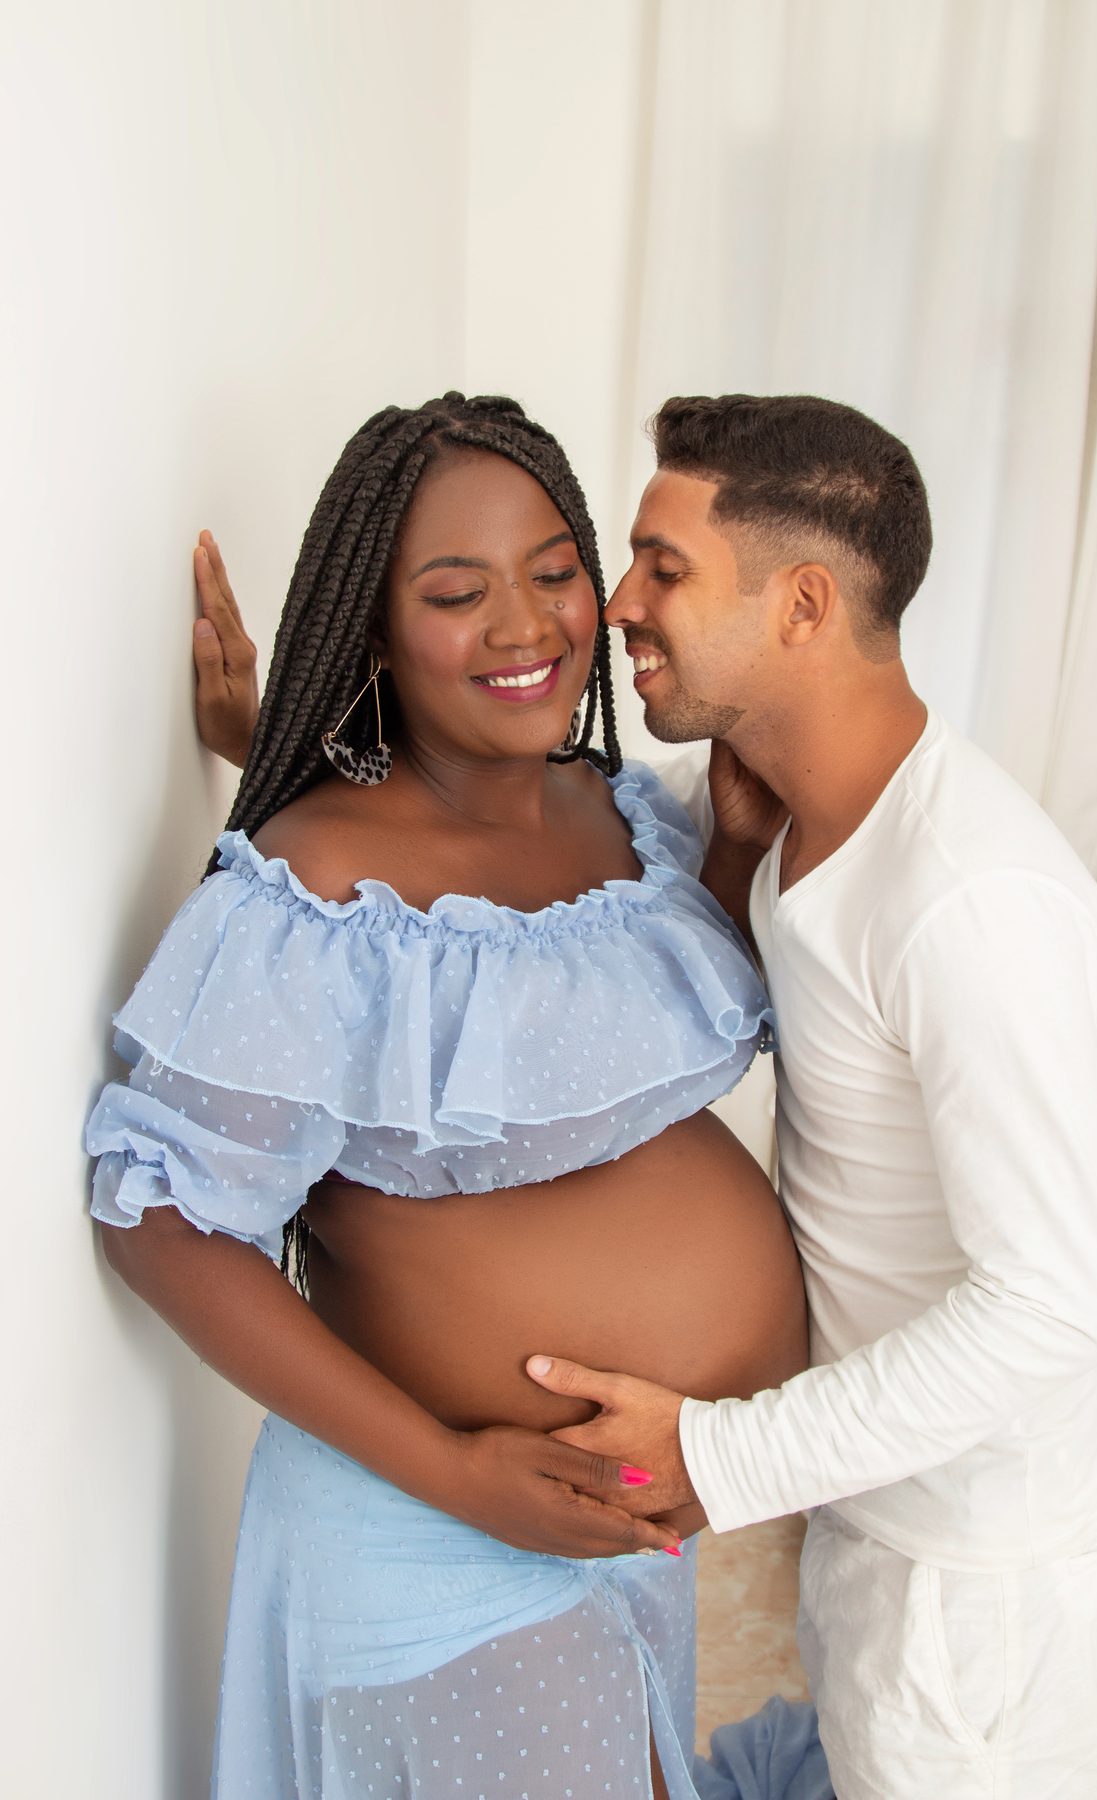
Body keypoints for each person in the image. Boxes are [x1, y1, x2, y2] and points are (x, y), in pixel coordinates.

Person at [89, 394, 819, 1800]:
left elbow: (593, 1012)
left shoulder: (619, 814)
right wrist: (450, 1469)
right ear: (372, 628)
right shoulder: (302, 905)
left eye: (554, 571)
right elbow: (160, 1221)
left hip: (614, 1533)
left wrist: (730, 855)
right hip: (440, 1542)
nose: (525, 625)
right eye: (452, 593)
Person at [517, 394, 1097, 1799]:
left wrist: (721, 1455)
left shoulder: (972, 896)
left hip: (979, 1580)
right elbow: (547, 821)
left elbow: (1054, 1305)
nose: (620, 604)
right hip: (891, 1509)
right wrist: (282, 719)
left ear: (802, 605)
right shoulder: (790, 806)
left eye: (662, 567)